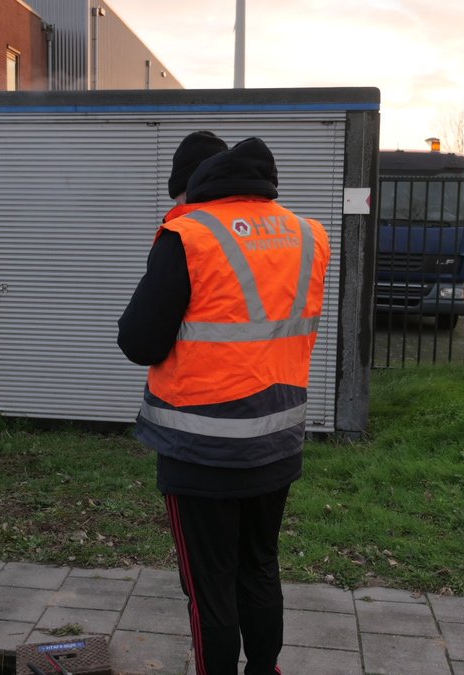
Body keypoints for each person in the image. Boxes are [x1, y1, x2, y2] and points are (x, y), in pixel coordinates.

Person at [118, 135, 331, 675]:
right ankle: (265, 670)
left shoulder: (187, 235)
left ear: (195, 188)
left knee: (210, 587)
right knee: (259, 566)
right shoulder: (307, 235)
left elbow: (139, 341)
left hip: (200, 451)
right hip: (278, 441)